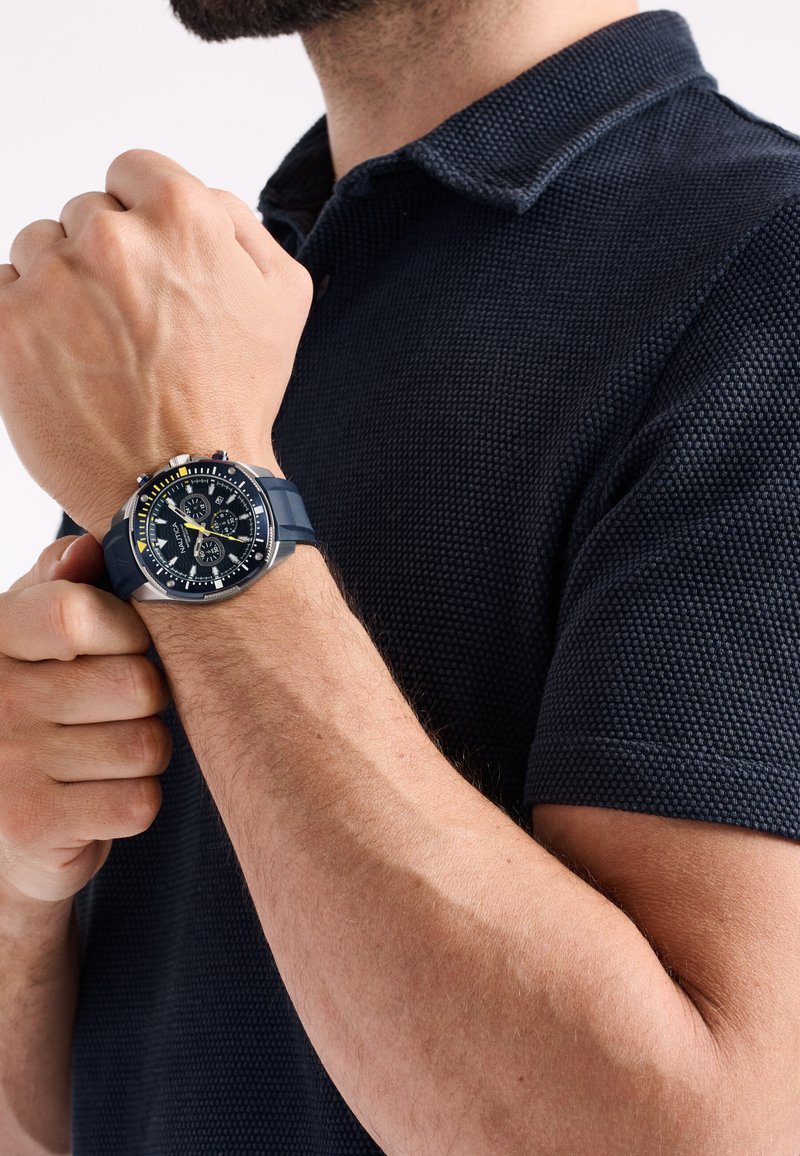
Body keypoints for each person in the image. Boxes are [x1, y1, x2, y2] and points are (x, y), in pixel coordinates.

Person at [1, 0, 800, 1150]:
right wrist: (20, 884)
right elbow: (77, 1117)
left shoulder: (764, 276)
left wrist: (191, 483)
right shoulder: (201, 316)